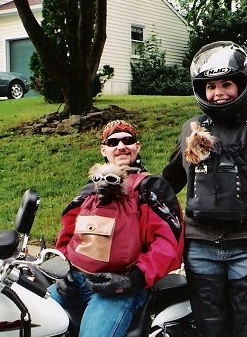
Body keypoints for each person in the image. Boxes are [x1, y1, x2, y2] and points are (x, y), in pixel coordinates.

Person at [162, 41, 247, 337]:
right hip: (199, 248)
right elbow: (168, 182)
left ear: (242, 85)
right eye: (211, 86)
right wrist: (128, 184)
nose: (218, 93)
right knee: (210, 331)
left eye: (227, 84)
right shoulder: (191, 129)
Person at [49, 119, 184, 337]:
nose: (121, 146)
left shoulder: (152, 188)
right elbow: (67, 237)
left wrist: (133, 280)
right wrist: (62, 273)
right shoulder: (88, 191)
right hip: (75, 283)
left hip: (121, 290)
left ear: (137, 147)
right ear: (104, 150)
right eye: (113, 142)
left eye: (127, 140)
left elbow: (168, 243)